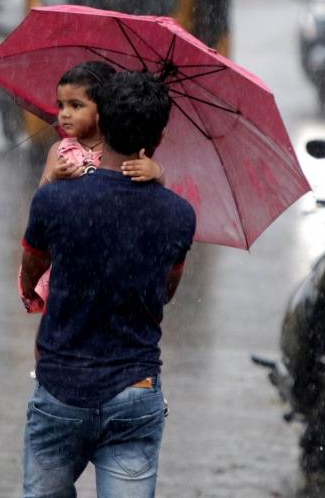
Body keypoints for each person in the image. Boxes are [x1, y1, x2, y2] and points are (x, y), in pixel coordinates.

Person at [18, 70, 196, 497]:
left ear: (103, 121)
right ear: (158, 136)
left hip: (61, 386)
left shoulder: (54, 199)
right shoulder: (178, 214)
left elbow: (32, 269)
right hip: (134, 390)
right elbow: (165, 293)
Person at [20, 61, 164, 315]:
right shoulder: (60, 150)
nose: (64, 114)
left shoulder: (121, 149)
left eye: (76, 106)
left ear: (104, 110)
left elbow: (154, 191)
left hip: (109, 247)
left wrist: (156, 171)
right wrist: (53, 177)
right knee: (56, 314)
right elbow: (41, 198)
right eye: (61, 105)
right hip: (71, 246)